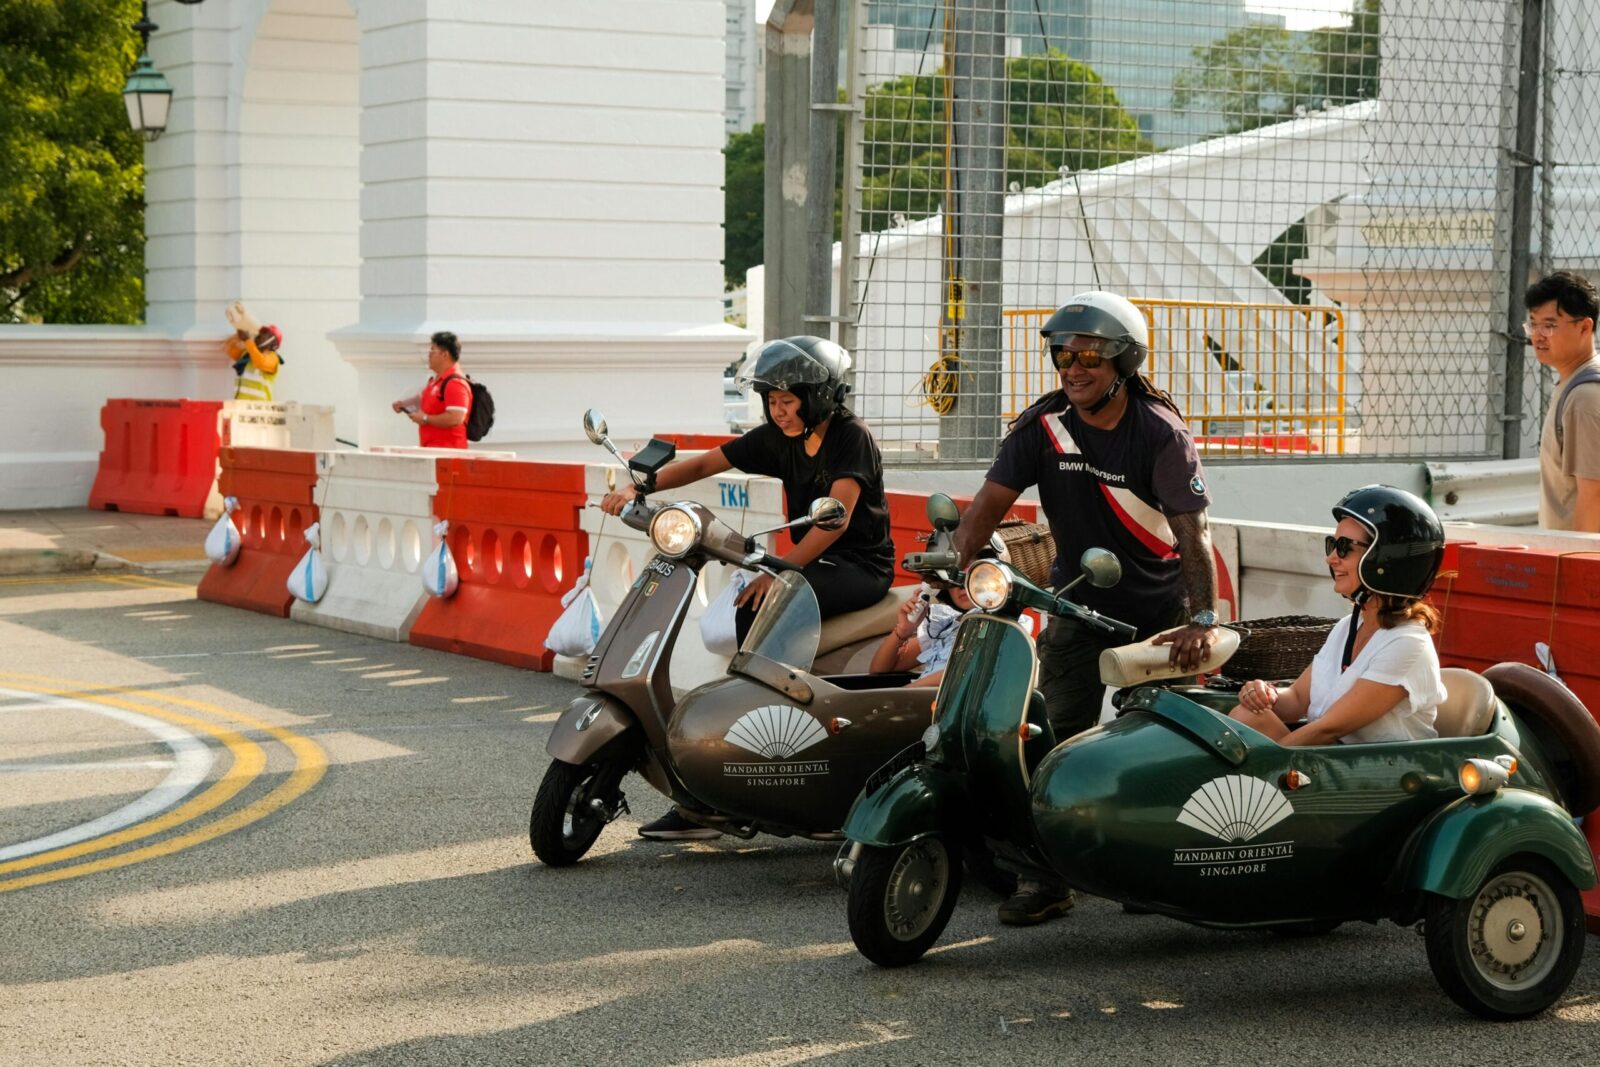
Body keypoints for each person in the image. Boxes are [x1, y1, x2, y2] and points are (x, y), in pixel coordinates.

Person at [950, 290, 1220, 927]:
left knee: (1162, 748)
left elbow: (1194, 536)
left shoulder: (1159, 433)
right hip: (1074, 603)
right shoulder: (1043, 425)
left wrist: (1202, 619)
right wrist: (963, 569)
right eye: (1063, 355)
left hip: (1158, 615)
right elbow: (985, 509)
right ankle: (1046, 879)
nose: (1073, 368)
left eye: (1089, 357)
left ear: (1123, 363)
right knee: (1051, 738)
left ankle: (1154, 868)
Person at [599, 335, 896, 841]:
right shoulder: (779, 438)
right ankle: (734, 777)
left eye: (788, 400)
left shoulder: (853, 437)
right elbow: (704, 463)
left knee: (761, 611)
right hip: (808, 563)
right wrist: (638, 486)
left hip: (858, 565)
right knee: (745, 613)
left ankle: (784, 754)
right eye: (772, 402)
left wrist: (780, 574)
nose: (779, 412)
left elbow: (835, 522)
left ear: (819, 395)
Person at [1229, 485, 1447, 745]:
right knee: (1247, 715)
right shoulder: (1348, 627)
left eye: (1344, 547)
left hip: (1378, 778)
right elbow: (1297, 699)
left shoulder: (1408, 644)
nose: (1331, 558)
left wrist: (1263, 764)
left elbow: (1327, 729)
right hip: (1332, 765)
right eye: (1332, 545)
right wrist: (1264, 695)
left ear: (1386, 560)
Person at [1526, 271, 1600, 531]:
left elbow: (1594, 495)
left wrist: (1579, 568)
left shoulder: (1584, 397)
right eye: (1532, 324)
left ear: (1584, 327)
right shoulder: (1574, 385)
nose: (1537, 335)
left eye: (1549, 325)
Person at [868, 580, 974, 688]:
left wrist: (906, 692)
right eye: (954, 578)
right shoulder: (946, 625)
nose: (961, 586)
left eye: (978, 573)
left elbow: (969, 671)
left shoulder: (990, 625)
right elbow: (879, 670)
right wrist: (903, 630)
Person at [392, 331, 471, 449]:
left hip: (449, 453)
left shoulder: (455, 383)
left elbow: (456, 417)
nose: (429, 355)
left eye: (432, 350)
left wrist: (425, 418)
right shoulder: (437, 380)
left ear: (445, 355)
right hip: (432, 449)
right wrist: (405, 405)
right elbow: (425, 398)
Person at [223, 301, 283, 402]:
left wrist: (248, 341)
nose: (260, 335)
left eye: (266, 335)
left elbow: (260, 362)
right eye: (261, 333)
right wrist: (239, 333)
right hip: (240, 408)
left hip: (259, 411)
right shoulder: (248, 354)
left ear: (274, 345)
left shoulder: (273, 359)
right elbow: (229, 349)